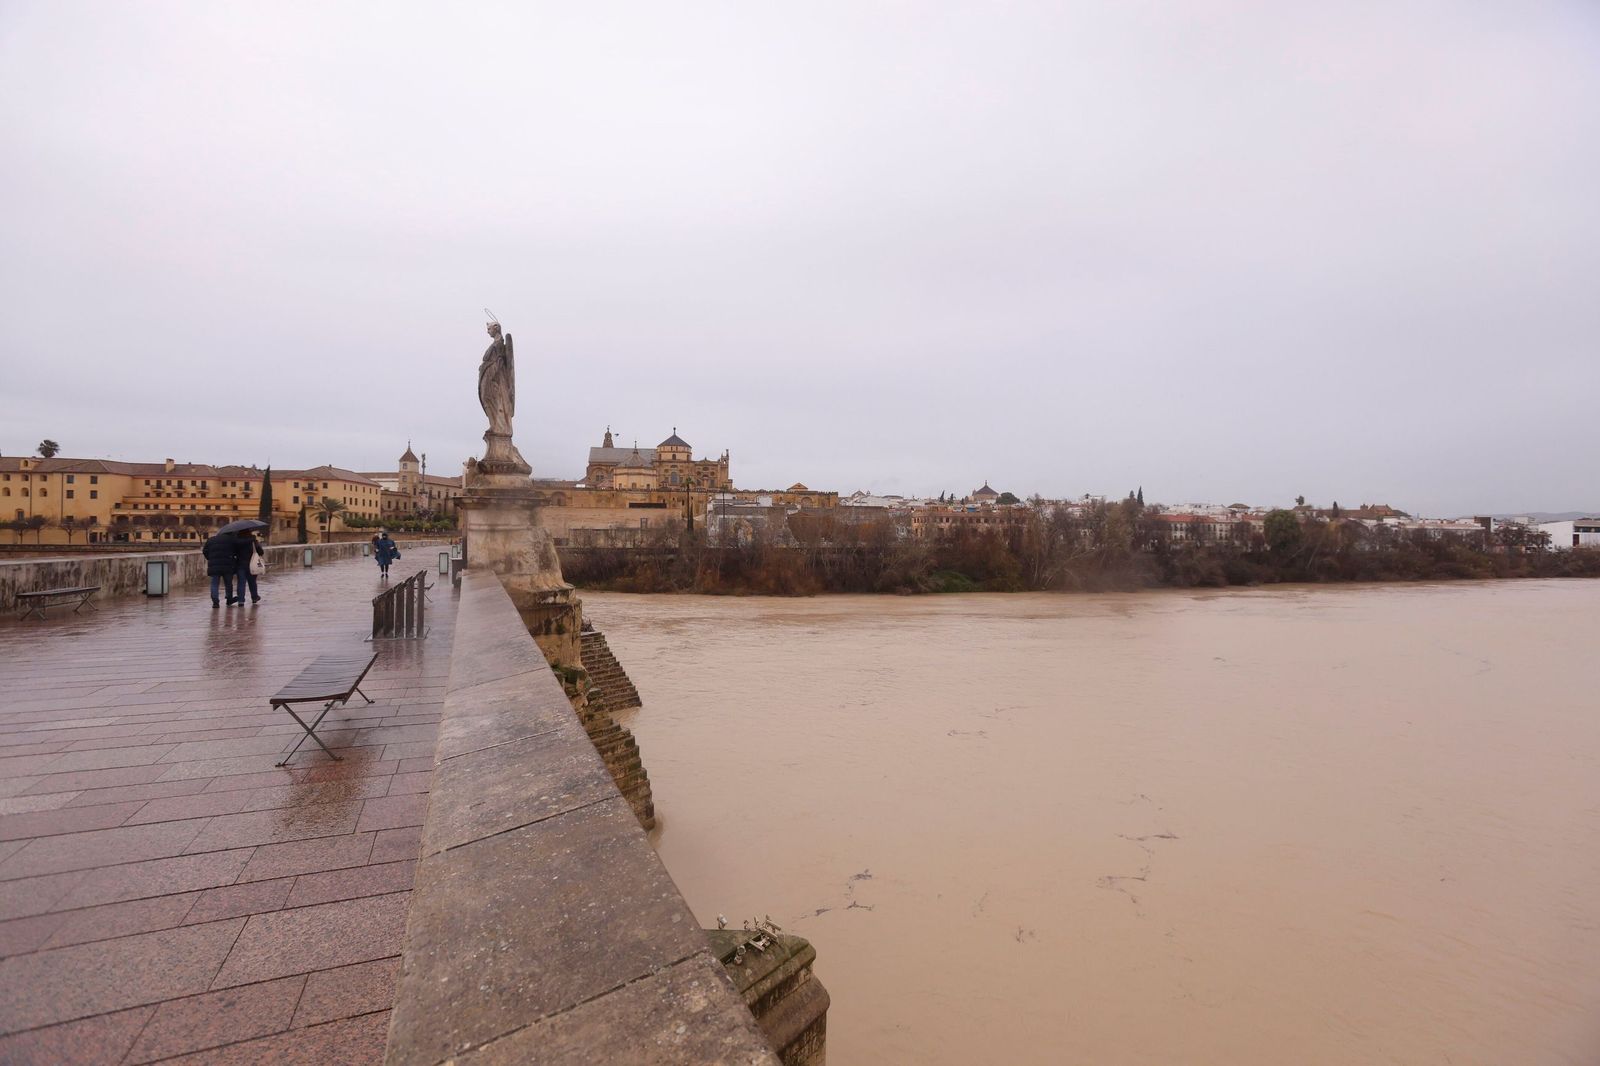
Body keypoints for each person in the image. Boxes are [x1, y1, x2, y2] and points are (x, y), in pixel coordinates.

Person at [202, 528, 239, 607]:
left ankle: (215, 601)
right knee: (228, 583)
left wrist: (210, 558)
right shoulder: (231, 540)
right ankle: (229, 599)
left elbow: (205, 551)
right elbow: (236, 552)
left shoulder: (211, 540)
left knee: (214, 583)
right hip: (228, 565)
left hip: (214, 565)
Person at [234, 530, 263, 605]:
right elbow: (260, 552)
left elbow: (233, 552)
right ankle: (254, 597)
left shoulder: (236, 542)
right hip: (252, 564)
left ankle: (241, 600)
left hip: (240, 564)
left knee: (241, 582)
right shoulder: (253, 541)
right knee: (252, 582)